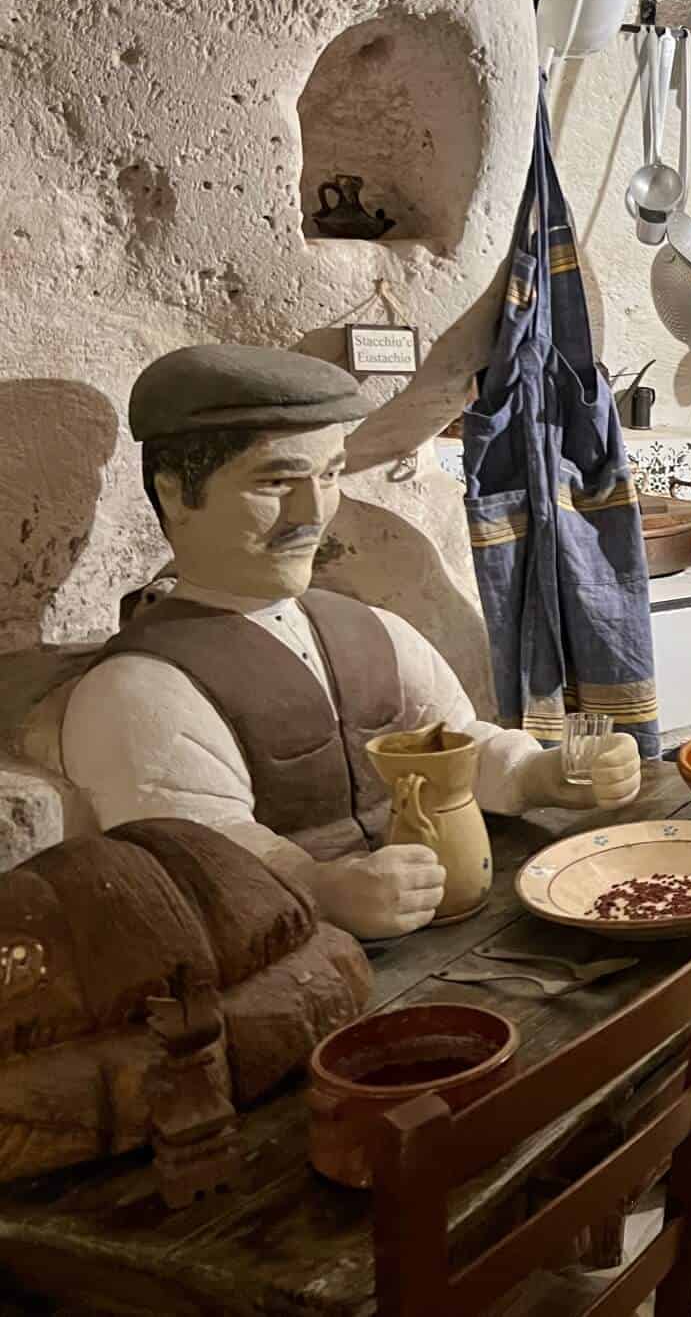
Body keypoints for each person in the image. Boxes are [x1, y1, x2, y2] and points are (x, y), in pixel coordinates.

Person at [58, 344, 644, 940]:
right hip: (292, 960)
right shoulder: (140, 690)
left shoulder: (373, 630)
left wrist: (541, 775)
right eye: (277, 480)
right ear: (178, 494)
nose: (313, 511)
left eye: (330, 475)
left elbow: (457, 745)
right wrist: (320, 891)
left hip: (459, 920)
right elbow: (200, 850)